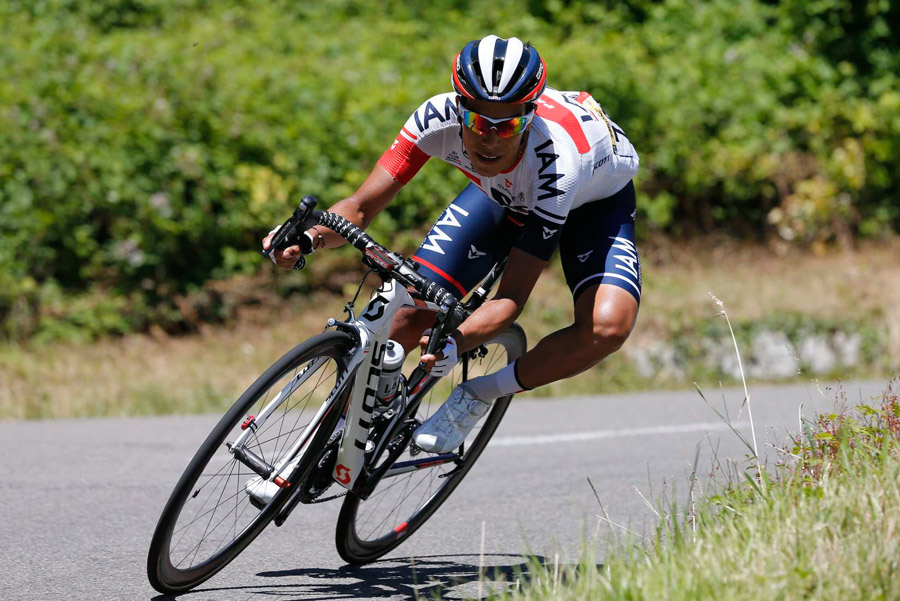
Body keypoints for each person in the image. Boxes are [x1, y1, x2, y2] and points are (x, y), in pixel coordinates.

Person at [263, 35, 641, 454]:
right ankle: (327, 438)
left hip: (591, 203)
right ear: (459, 108)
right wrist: (309, 237)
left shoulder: (559, 165)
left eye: (508, 125)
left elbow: (512, 298)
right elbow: (360, 206)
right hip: (501, 192)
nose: (490, 139)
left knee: (608, 327)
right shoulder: (434, 118)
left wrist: (455, 344)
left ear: (530, 116)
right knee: (408, 315)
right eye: (478, 122)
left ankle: (478, 394)